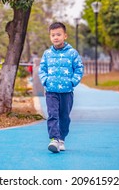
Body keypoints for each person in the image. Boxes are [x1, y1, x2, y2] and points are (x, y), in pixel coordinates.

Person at [38, 22, 84, 153]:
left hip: (66, 92)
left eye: (58, 34)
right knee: (52, 115)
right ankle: (54, 139)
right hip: (51, 91)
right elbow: (42, 69)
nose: (56, 37)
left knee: (64, 116)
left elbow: (79, 69)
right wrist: (45, 81)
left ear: (65, 36)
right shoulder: (47, 54)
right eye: (53, 35)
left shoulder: (72, 53)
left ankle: (62, 139)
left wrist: (72, 82)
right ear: (50, 37)